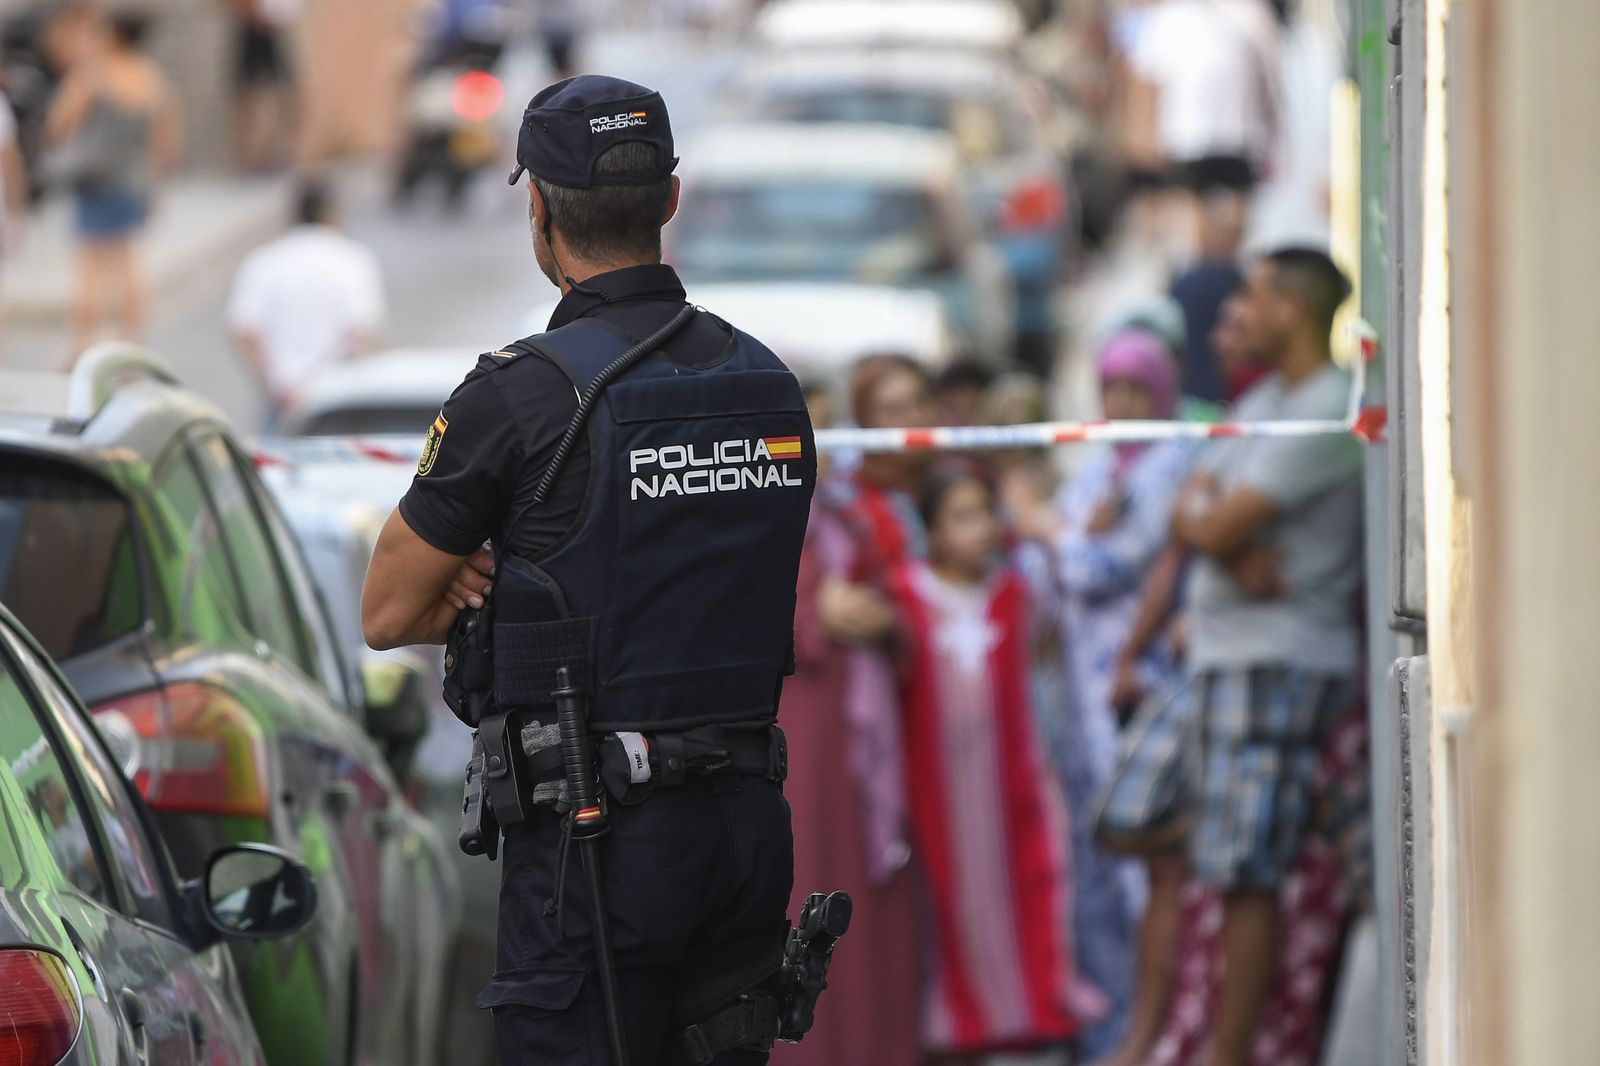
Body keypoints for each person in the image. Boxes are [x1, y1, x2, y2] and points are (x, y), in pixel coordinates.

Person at [360, 75, 816, 1065]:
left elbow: (388, 609)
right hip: (745, 829)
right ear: (670, 200)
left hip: (597, 845)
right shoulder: (769, 385)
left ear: (537, 209)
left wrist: (500, 585)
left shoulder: (521, 394)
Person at [1164, 246, 1362, 1066]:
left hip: (1277, 660)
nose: (1242, 310)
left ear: (1292, 306)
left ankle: (1232, 1054)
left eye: (1256, 292)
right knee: (1210, 854)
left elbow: (1205, 521)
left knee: (1249, 870)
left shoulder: (1323, 404)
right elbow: (1192, 505)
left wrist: (1217, 533)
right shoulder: (1273, 397)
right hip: (1235, 655)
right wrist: (1222, 543)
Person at [1018, 329, 1196, 1062]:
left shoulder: (1171, 462)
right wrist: (1064, 536)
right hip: (1083, 704)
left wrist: (1052, 532)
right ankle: (1108, 1031)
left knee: (1140, 870)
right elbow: (1055, 562)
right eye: (1111, 389)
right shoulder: (1098, 467)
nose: (1121, 404)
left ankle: (1158, 1034)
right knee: (1092, 868)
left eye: (1134, 390)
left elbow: (1103, 565)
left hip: (1138, 689)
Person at [888, 464, 1101, 1062]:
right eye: (961, 517)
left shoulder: (1013, 596)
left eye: (985, 513)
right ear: (929, 529)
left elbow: (1047, 653)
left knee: (1024, 883)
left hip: (1009, 780)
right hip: (936, 786)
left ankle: (1022, 1006)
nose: (980, 529)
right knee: (948, 898)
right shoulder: (906, 596)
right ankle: (957, 1016)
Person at [772, 384, 922, 1066]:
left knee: (860, 901)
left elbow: (907, 596)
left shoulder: (853, 520)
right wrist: (809, 614)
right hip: (797, 739)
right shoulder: (759, 520)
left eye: (831, 432)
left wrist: (882, 614)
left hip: (860, 747)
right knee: (804, 898)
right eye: (809, 431)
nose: (822, 450)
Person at [45, 8, 180, 354]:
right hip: (132, 179)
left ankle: (82, 344)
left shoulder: (93, 75)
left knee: (90, 265)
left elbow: (58, 124)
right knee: (128, 261)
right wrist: (157, 174)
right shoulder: (150, 76)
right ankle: (131, 339)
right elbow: (166, 135)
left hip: (95, 178)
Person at [228, 181, 385, 421]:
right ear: (330, 214)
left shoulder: (264, 260)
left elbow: (245, 331)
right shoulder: (352, 260)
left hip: (279, 398)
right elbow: (361, 332)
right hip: (334, 401)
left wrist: (276, 383)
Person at [227, 0, 297, 172]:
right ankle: (250, 157)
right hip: (250, 30)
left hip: (270, 31)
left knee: (286, 94)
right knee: (246, 99)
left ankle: (275, 150)